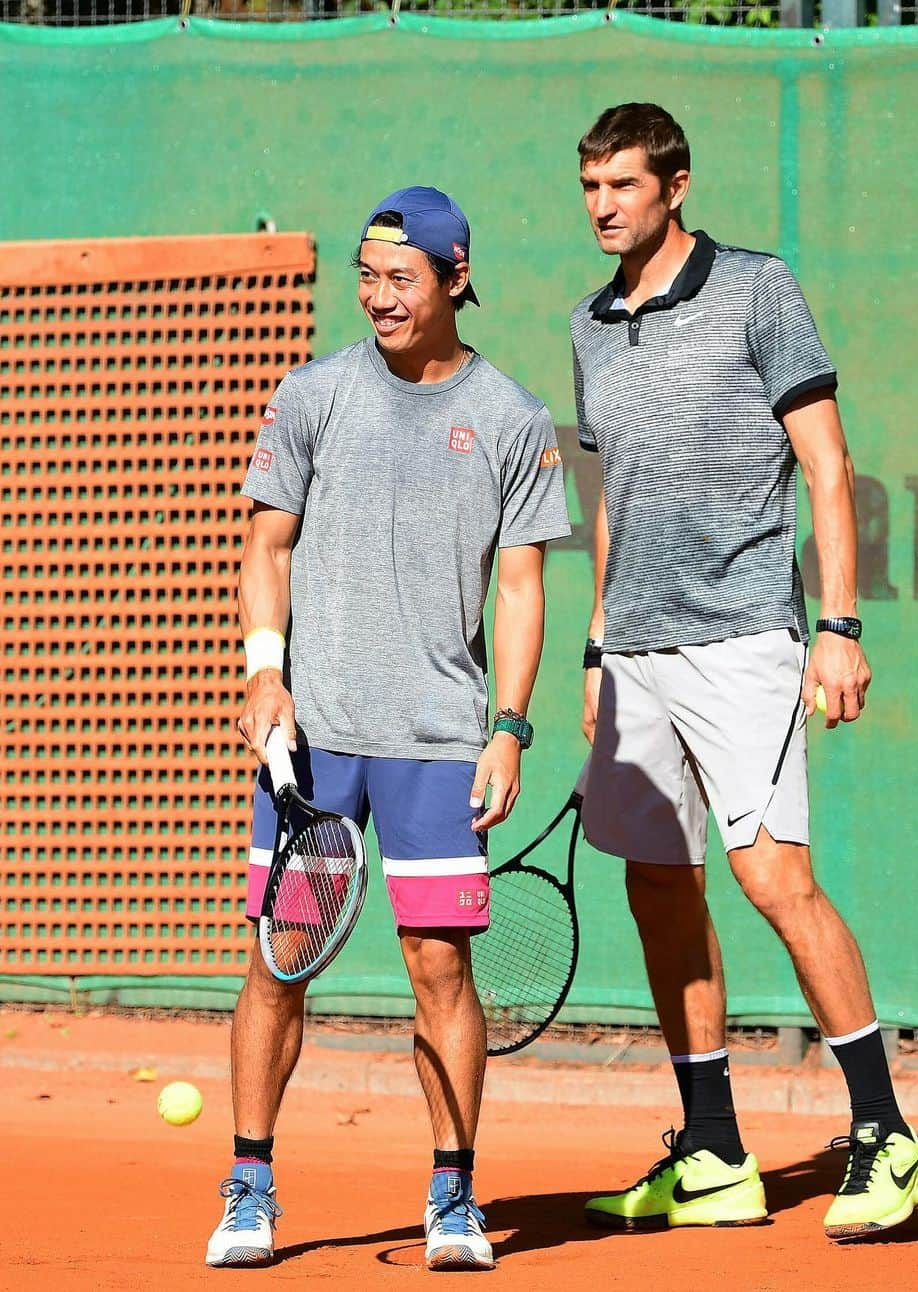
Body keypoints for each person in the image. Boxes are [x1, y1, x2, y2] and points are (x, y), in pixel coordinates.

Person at [570, 104, 918, 1242]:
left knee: (773, 876)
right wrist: (595, 642)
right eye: (589, 187)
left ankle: (887, 1135)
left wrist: (838, 623)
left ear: (675, 185)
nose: (602, 206)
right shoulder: (588, 323)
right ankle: (717, 1148)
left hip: (743, 639)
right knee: (656, 886)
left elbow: (827, 464)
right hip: (633, 655)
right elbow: (613, 503)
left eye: (623, 185)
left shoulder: (757, 288)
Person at [206, 186, 570, 1271]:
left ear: (456, 278)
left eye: (401, 279)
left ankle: (454, 1195)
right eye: (366, 278)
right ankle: (250, 1181)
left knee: (439, 966)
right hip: (314, 745)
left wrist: (508, 725)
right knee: (282, 958)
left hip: (435, 744)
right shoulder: (313, 393)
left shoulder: (510, 417)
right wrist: (265, 677)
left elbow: (519, 584)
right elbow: (267, 547)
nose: (379, 298)